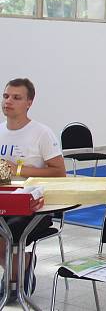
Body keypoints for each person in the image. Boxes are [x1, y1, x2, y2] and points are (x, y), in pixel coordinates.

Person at [0, 78, 66, 298]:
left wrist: (18, 170)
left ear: (29, 102)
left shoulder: (41, 133)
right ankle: (20, 266)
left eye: (16, 98)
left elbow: (59, 171)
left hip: (33, 207)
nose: (8, 101)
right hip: (3, 202)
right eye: (6, 96)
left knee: (9, 233)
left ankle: (14, 282)